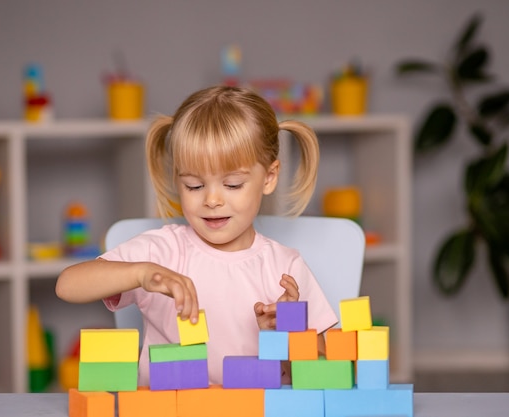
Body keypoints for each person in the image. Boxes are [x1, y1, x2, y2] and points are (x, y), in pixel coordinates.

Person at [56, 85, 337, 386]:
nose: (212, 200)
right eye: (193, 185)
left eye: (232, 185)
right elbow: (67, 285)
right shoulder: (162, 252)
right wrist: (140, 273)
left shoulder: (286, 268)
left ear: (269, 177)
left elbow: (331, 372)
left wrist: (288, 337)